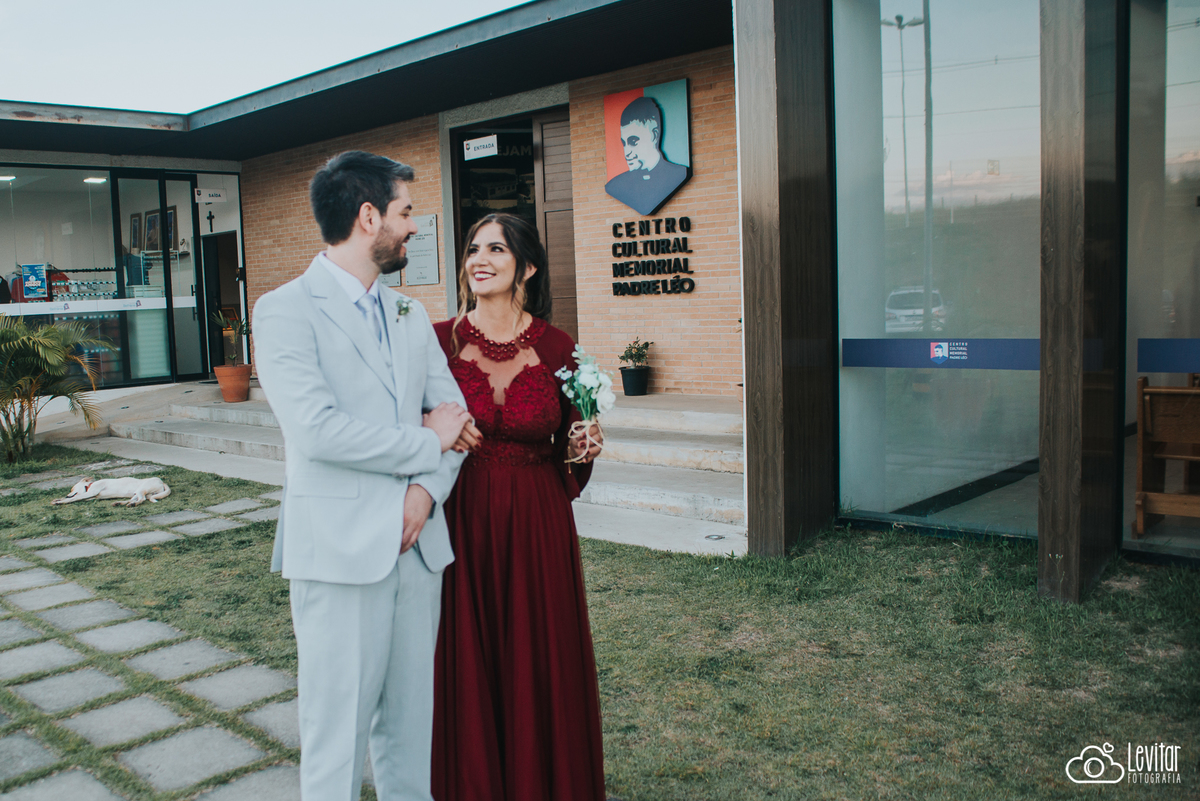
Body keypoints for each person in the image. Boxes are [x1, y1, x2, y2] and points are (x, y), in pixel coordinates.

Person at [253, 150, 470, 801]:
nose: (415, 226)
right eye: (407, 212)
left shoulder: (409, 313)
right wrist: (425, 440)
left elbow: (455, 420)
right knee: (336, 739)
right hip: (340, 552)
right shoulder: (284, 309)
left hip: (418, 552)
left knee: (411, 733)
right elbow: (317, 431)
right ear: (369, 216)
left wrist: (425, 492)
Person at [431, 212, 606, 801]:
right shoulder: (438, 341)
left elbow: (576, 440)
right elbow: (405, 421)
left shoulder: (560, 347)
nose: (479, 260)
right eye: (473, 249)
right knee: (466, 649)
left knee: (540, 651)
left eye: (496, 250)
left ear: (527, 267)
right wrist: (434, 430)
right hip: (462, 514)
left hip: (537, 520)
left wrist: (584, 444)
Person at [604, 95, 690, 216]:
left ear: (654, 136)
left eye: (633, 142)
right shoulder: (615, 186)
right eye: (624, 143)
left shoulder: (678, 174)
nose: (627, 152)